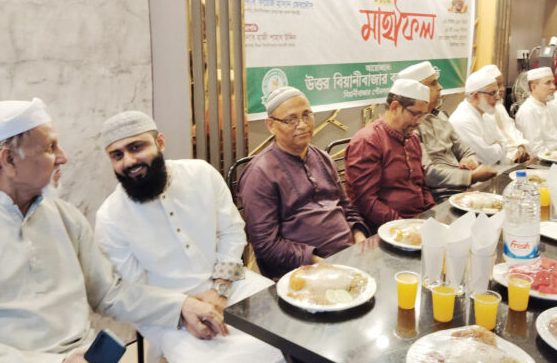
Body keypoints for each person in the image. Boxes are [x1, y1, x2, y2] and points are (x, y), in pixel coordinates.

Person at [0, 99, 227, 363]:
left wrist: (182, 306)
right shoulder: (109, 213)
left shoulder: (65, 217)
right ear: (9, 159)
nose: (63, 157)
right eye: (50, 147)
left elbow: (109, 292)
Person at [95, 111, 283, 363]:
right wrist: (182, 310)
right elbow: (132, 291)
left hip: (230, 282)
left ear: (160, 142)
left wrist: (220, 289)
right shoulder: (110, 217)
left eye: (136, 147)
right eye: (117, 155)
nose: (129, 161)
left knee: (293, 326)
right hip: (165, 310)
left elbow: (231, 231)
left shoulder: (201, 174)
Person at [238, 86, 369, 280]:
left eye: (307, 115)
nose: (303, 125)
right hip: (302, 274)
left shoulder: (322, 158)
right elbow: (266, 245)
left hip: (348, 259)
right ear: (271, 125)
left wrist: (359, 238)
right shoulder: (260, 173)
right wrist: (317, 262)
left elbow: (346, 208)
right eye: (291, 119)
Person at [397, 61, 496, 199]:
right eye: (433, 83)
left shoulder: (440, 116)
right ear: (417, 91)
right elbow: (427, 173)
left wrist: (469, 162)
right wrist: (470, 176)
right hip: (438, 197)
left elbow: (467, 151)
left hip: (464, 189)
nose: (440, 87)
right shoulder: (410, 126)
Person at [345, 78, 435, 229]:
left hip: (417, 222)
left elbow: (422, 186)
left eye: (423, 116)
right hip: (386, 228)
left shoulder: (412, 139)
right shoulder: (368, 141)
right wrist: (403, 225)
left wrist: (432, 214)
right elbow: (365, 201)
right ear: (395, 107)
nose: (419, 122)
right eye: (415, 114)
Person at [449, 69, 511, 165]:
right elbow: (486, 158)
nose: (498, 97)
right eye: (492, 93)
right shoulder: (461, 120)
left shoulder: (486, 113)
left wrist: (496, 147)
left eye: (497, 92)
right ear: (475, 96)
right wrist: (498, 146)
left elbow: (504, 143)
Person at [480, 64, 531, 162]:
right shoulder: (482, 112)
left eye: (502, 84)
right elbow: (494, 143)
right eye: (497, 85)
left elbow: (511, 129)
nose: (503, 89)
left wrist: (520, 145)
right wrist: (514, 155)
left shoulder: (499, 106)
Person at [515, 67, 557, 156]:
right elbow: (535, 149)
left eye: (553, 82)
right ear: (534, 87)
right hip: (544, 160)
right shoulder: (528, 110)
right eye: (548, 83)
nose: (553, 87)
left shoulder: (551, 107)